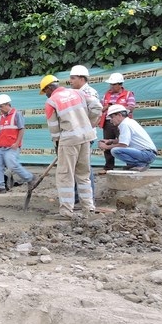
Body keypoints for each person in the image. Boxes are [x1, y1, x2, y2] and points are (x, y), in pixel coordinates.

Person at [39, 74, 102, 219]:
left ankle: (66, 211)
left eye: (45, 91)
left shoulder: (51, 101)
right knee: (83, 175)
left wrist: (57, 145)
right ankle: (89, 208)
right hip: (86, 138)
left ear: (49, 88)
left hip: (69, 140)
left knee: (65, 175)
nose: (46, 94)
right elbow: (97, 107)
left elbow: (54, 128)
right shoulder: (78, 93)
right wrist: (89, 123)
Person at [0, 94, 36, 194]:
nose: (0, 109)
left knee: (12, 165)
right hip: (0, 147)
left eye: (1, 106)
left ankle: (30, 178)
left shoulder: (17, 114)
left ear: (7, 104)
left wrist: (17, 143)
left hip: (11, 147)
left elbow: (21, 129)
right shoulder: (1, 118)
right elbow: (0, 132)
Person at [69, 64, 99, 201]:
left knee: (84, 167)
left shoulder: (89, 92)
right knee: (77, 166)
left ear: (82, 79)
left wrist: (87, 127)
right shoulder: (76, 92)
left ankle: (88, 197)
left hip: (85, 135)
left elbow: (96, 113)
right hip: (78, 135)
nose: (70, 81)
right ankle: (78, 196)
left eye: (73, 78)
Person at [98, 105, 158, 171]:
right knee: (116, 149)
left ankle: (140, 164)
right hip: (148, 154)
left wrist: (106, 147)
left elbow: (123, 145)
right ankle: (138, 164)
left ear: (119, 115)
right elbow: (125, 140)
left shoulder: (124, 124)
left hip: (147, 154)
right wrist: (111, 141)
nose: (111, 121)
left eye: (112, 117)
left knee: (115, 151)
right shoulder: (129, 122)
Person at [98, 72, 136, 173]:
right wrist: (108, 106)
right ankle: (108, 167)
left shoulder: (128, 94)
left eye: (114, 84)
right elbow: (101, 108)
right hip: (108, 122)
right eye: (111, 84)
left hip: (122, 123)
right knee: (107, 142)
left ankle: (130, 165)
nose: (111, 86)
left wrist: (116, 107)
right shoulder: (107, 94)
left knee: (124, 143)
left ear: (120, 84)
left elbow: (131, 107)